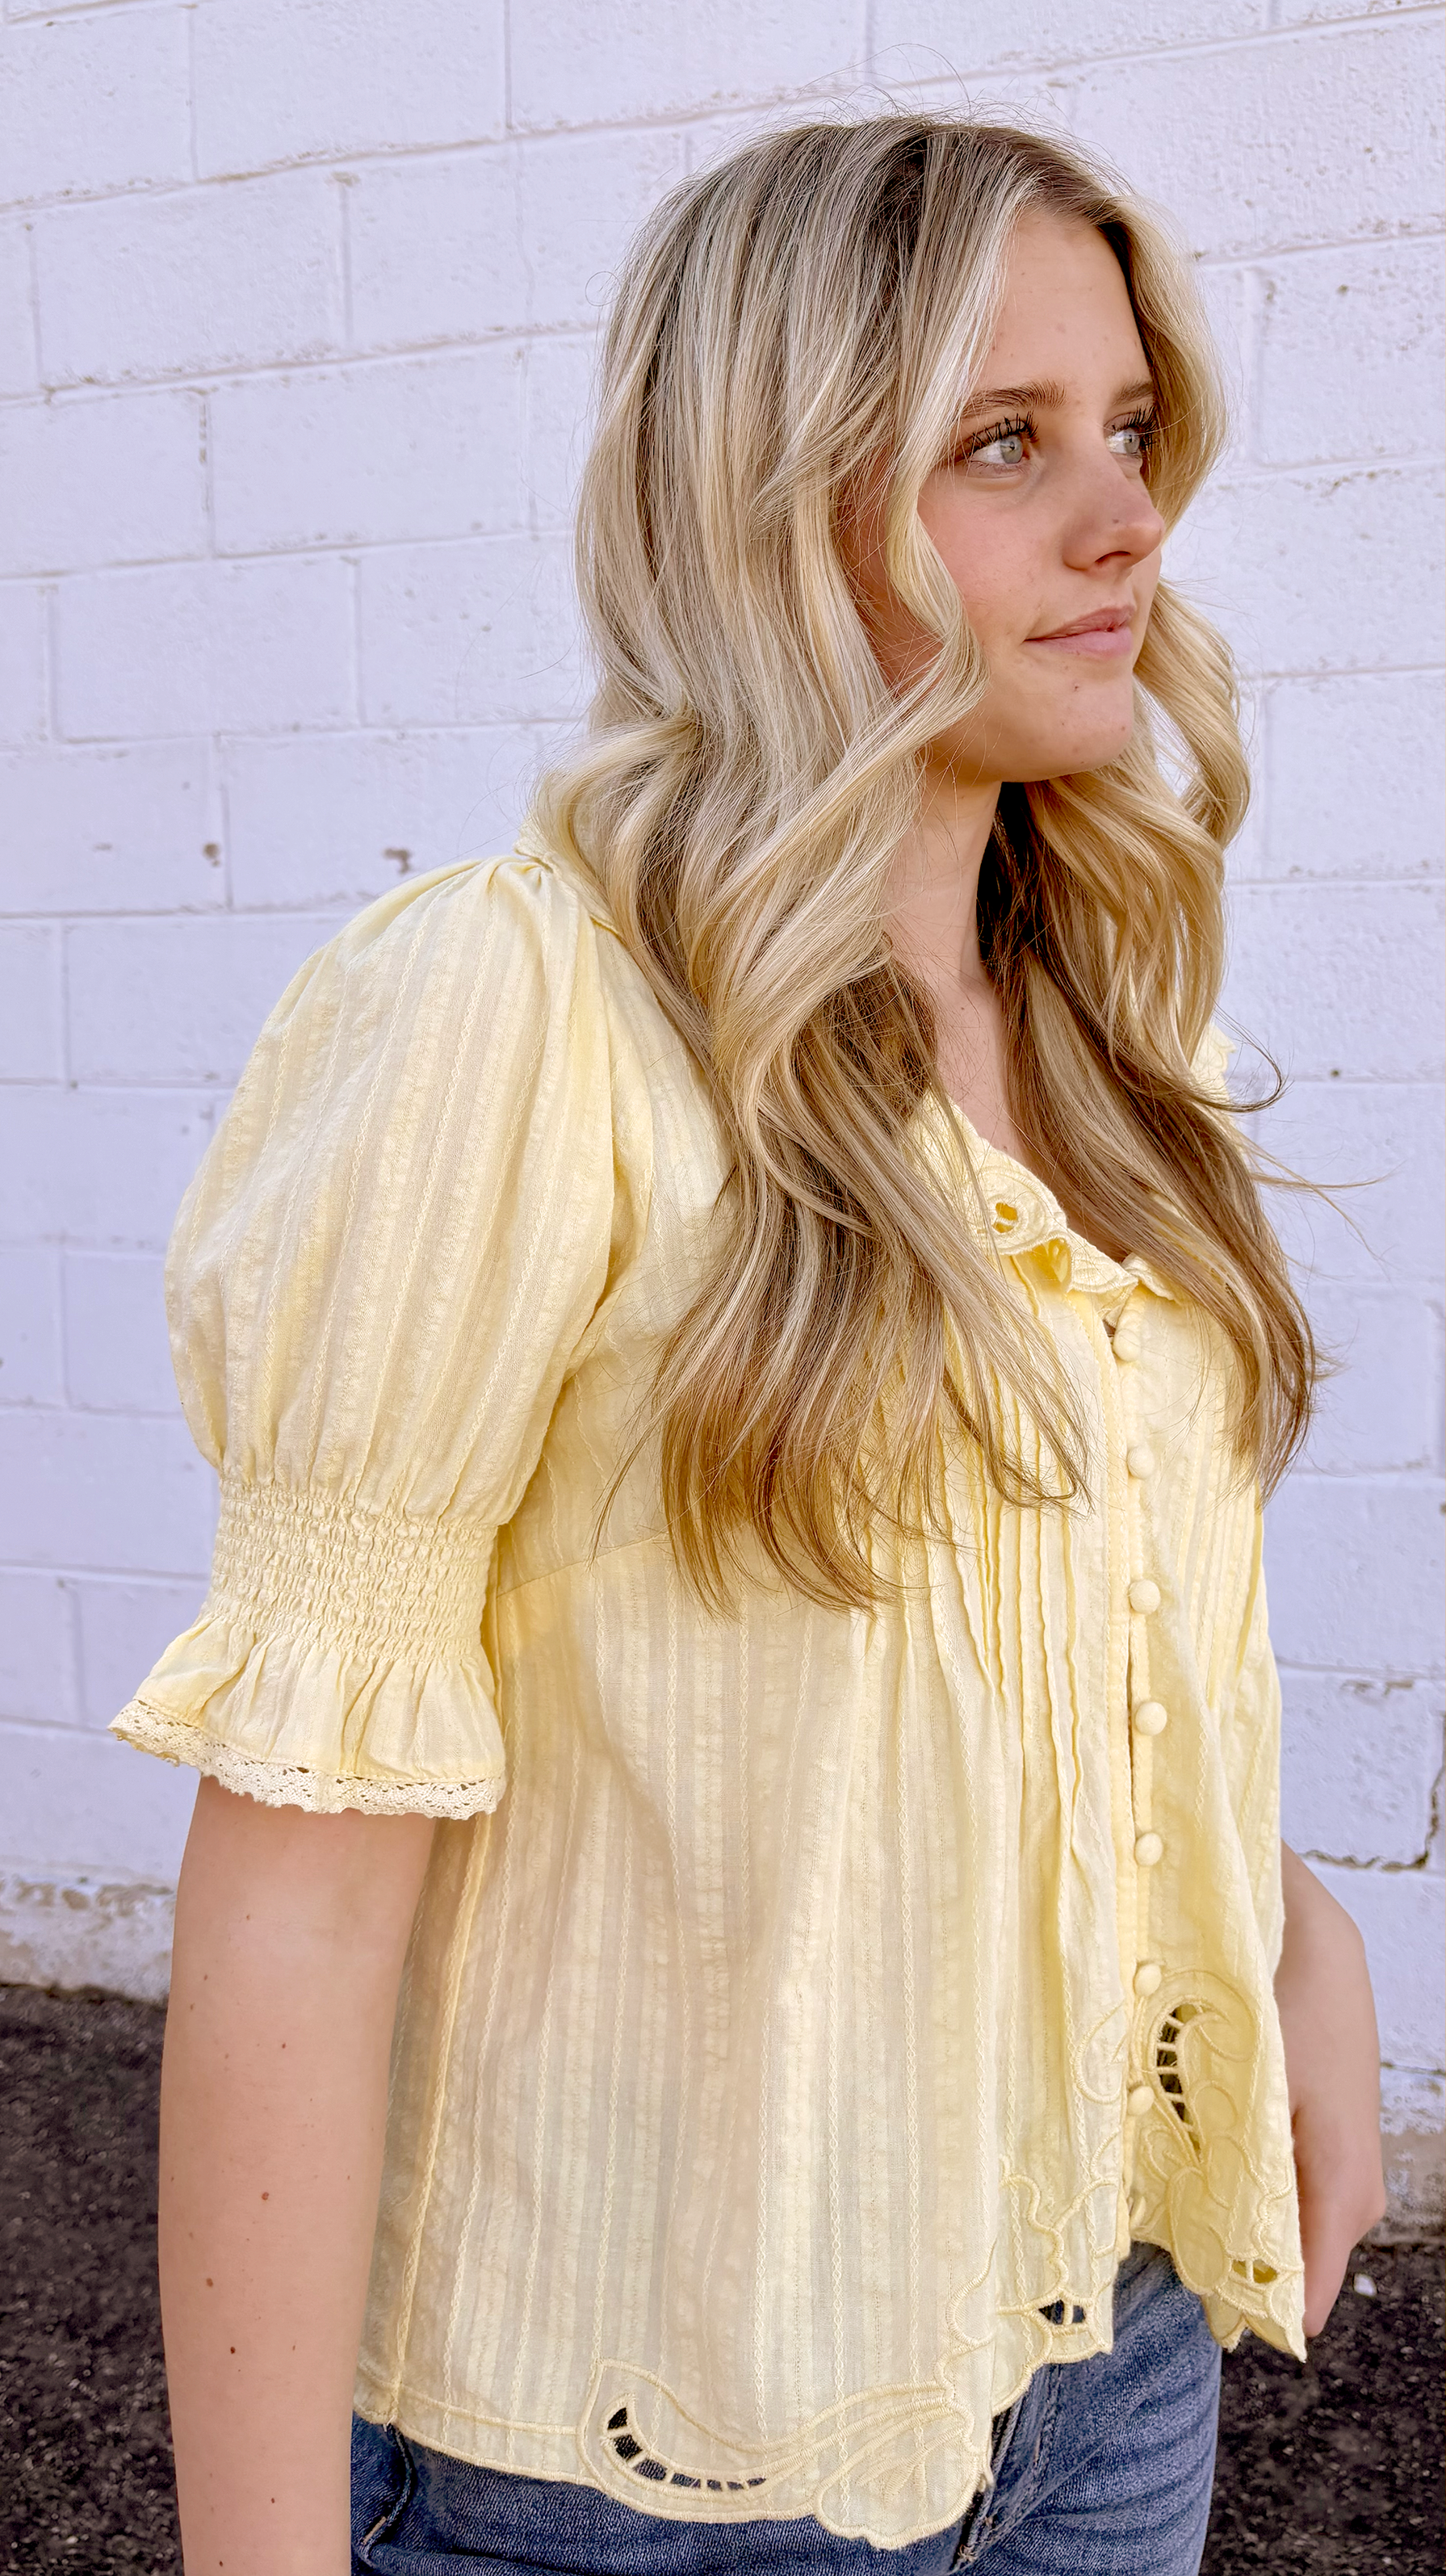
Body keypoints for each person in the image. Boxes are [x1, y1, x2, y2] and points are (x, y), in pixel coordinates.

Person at [111, 116, 1387, 2574]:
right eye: (1002, 445)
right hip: (638, 2465)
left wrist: (1292, 1922)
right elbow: (299, 1884)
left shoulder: (1108, 1013)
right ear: (762, 499)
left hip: (1102, 2372)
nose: (1122, 517)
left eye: (1129, 432)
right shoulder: (517, 1018)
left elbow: (1050, 1639)